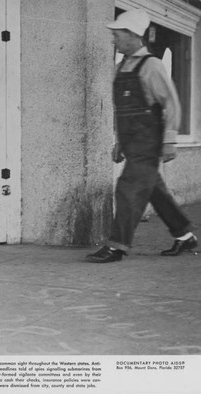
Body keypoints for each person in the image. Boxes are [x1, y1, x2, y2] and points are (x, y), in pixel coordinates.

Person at [86, 8, 197, 263]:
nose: (114, 39)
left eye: (117, 35)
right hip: (131, 141)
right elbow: (121, 110)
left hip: (149, 142)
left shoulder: (152, 66)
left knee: (128, 189)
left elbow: (171, 103)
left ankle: (116, 246)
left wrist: (169, 141)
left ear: (133, 35)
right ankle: (185, 236)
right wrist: (118, 141)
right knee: (153, 190)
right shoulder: (119, 68)